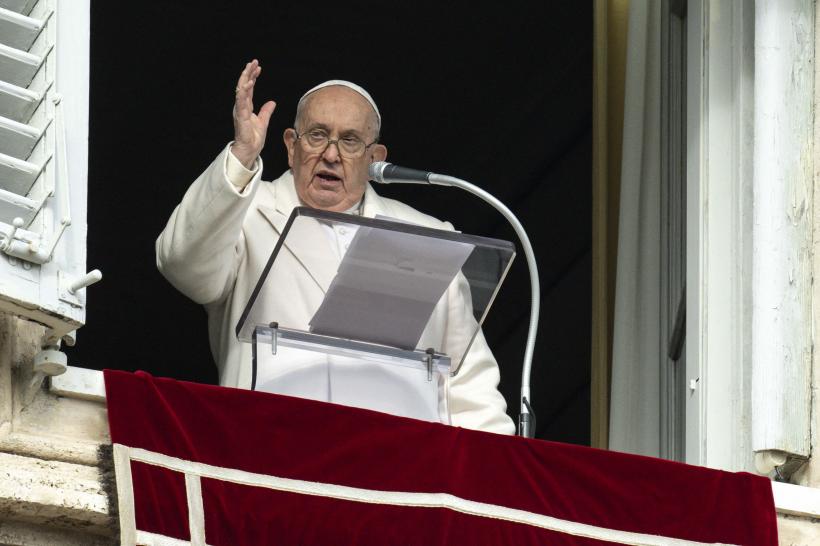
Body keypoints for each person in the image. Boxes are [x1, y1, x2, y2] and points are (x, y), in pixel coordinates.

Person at [156, 60, 515, 434]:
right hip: (273, 451)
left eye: (349, 141)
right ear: (291, 146)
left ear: (375, 159)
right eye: (316, 135)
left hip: (400, 468)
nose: (331, 154)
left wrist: (492, 478)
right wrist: (243, 155)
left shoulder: (425, 234)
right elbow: (182, 264)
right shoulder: (245, 210)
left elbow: (470, 387)